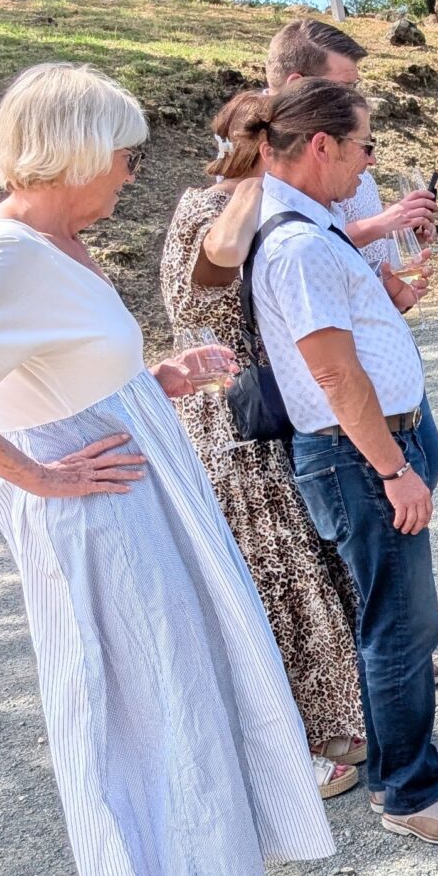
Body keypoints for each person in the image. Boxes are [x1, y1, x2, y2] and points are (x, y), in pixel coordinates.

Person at [0, 63, 338, 876]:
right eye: (124, 156)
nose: (131, 174)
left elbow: (48, 376)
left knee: (161, 707)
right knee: (173, 712)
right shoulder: (4, 253)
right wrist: (34, 474)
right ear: (78, 149)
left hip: (138, 504)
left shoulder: (51, 245)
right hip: (108, 524)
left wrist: (155, 378)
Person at [243, 79, 438, 847]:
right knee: (397, 628)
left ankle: (409, 763)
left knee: (403, 619)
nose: (368, 165)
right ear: (322, 145)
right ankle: (410, 796)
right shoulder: (295, 244)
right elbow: (332, 373)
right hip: (360, 456)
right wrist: (393, 468)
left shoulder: (314, 225)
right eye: (364, 146)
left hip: (377, 446)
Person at [199, 18, 438, 639]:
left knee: (412, 487)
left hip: (367, 374)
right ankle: (394, 631)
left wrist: (396, 283)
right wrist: (381, 227)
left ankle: (406, 606)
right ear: (301, 90)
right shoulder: (253, 185)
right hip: (313, 401)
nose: (360, 102)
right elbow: (283, 260)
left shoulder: (342, 168)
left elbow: (347, 271)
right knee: (365, 543)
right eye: (345, 85)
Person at [160, 93, 367, 790]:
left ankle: (333, 723)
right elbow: (216, 260)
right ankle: (292, 754)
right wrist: (258, 188)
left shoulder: (239, 198)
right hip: (233, 419)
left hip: (264, 411)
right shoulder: (217, 205)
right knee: (275, 581)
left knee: (310, 572)